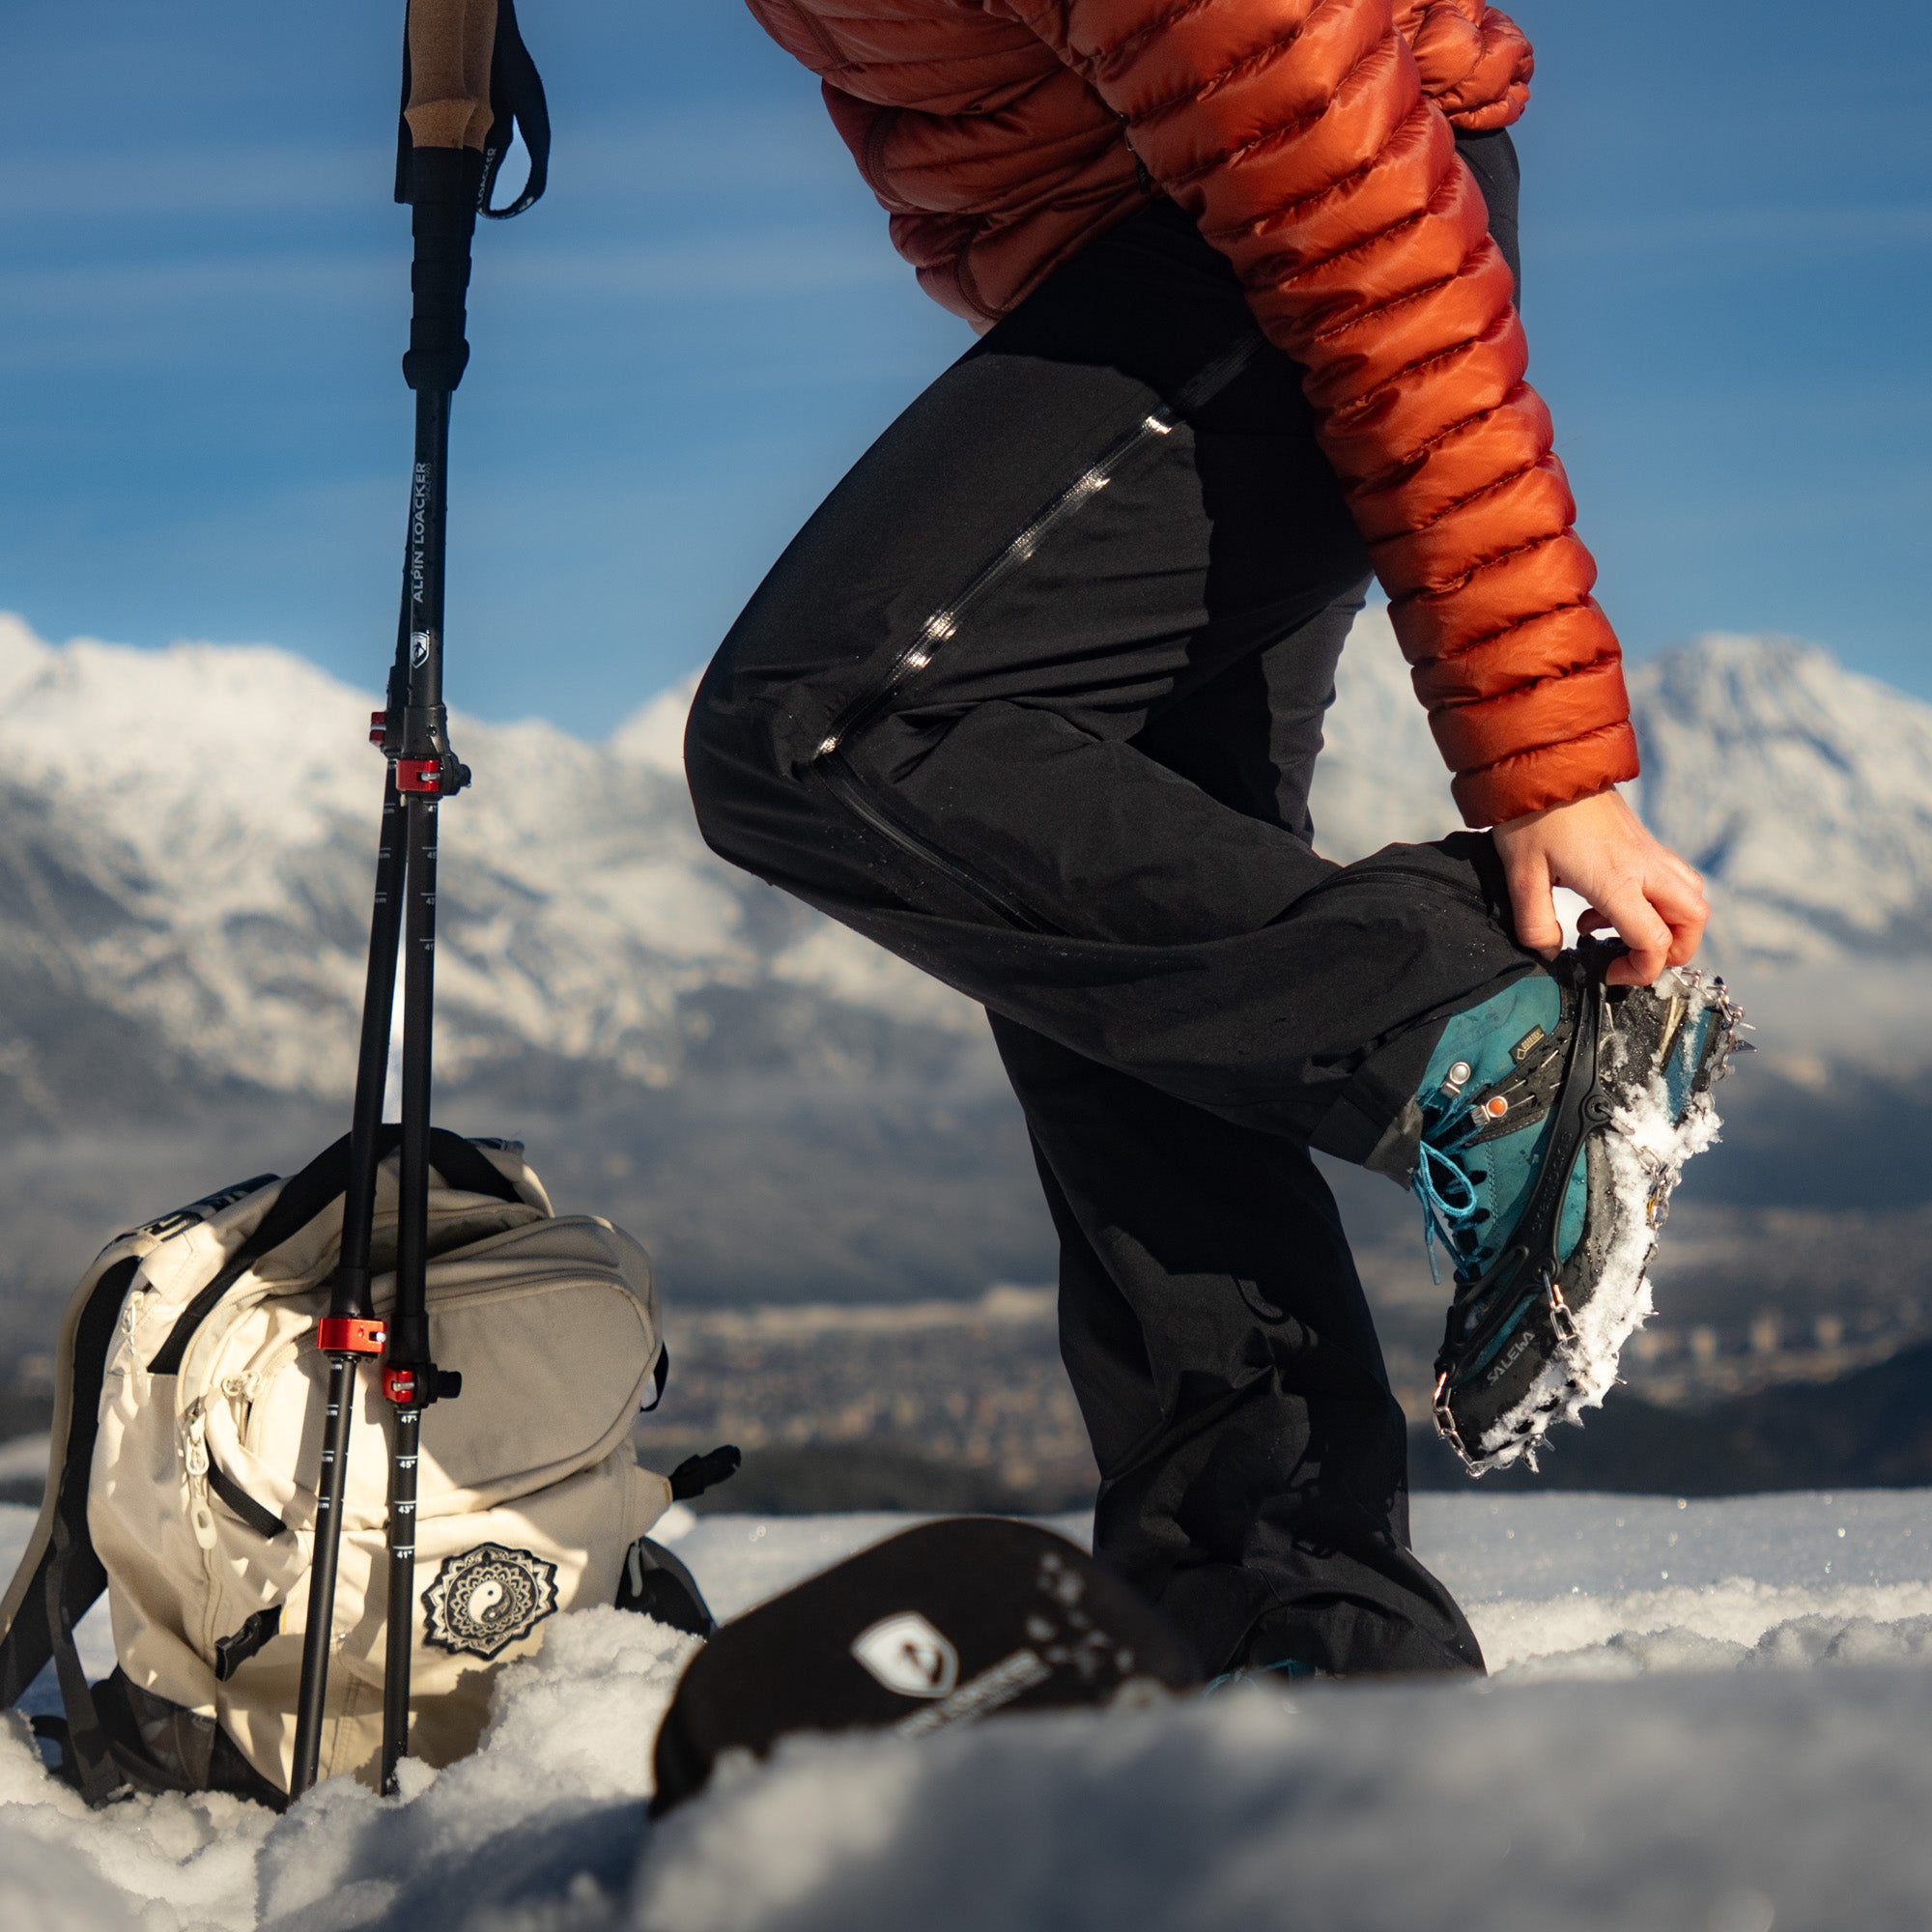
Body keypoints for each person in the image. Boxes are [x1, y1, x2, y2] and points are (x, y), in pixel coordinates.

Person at [683, 0, 1734, 1680]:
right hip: (1162, 278)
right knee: (1116, 936)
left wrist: (1547, 758)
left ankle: (1479, 1034)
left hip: (1300, 254)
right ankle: (1286, 1609)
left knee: (820, 730)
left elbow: (1374, 239)